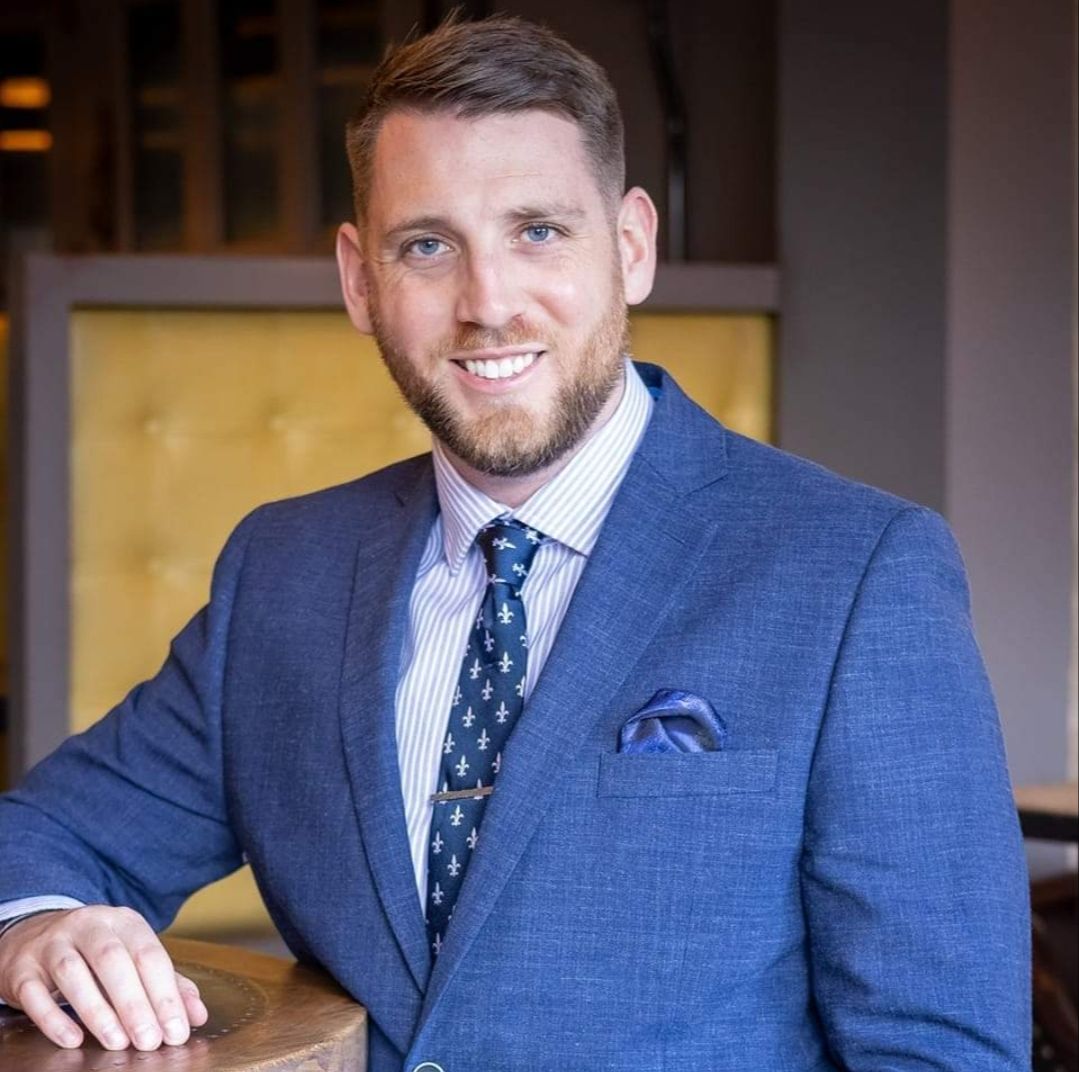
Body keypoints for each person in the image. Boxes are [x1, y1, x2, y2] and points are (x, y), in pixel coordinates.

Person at [0, 15, 1029, 1071]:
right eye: (426, 246)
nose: (486, 304)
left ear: (630, 246)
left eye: (537, 231)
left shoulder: (854, 573)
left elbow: (937, 1052)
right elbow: (39, 837)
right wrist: (40, 927)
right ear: (358, 280)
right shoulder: (284, 572)